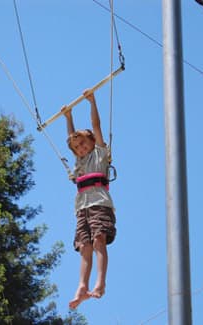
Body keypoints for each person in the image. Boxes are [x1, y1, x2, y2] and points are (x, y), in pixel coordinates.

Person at [62, 89, 117, 309]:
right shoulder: (79, 163)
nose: (81, 148)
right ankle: (82, 286)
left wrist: (92, 103)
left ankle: (100, 283)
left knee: (98, 240)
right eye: (77, 147)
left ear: (92, 142)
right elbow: (71, 137)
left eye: (84, 144)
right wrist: (68, 117)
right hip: (82, 207)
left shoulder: (99, 153)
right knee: (84, 245)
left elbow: (96, 127)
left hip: (99, 203)